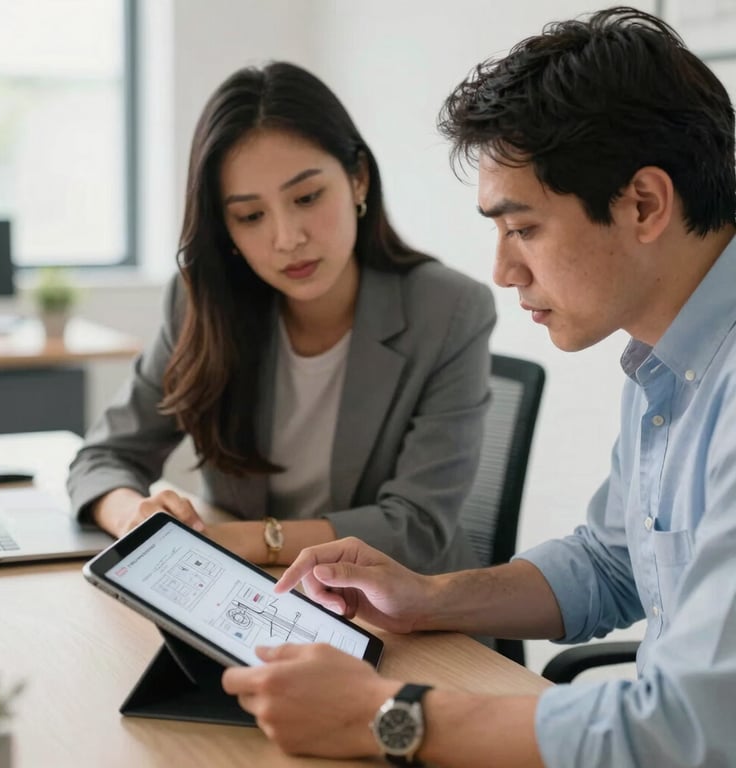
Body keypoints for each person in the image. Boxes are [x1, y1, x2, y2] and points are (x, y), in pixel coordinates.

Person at [221, 7, 736, 767]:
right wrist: (428, 598)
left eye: (522, 228)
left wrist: (382, 716)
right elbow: (613, 563)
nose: (502, 270)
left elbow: (692, 729)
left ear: (644, 205)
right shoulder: (667, 359)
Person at [66, 61, 496, 574]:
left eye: (307, 197)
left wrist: (241, 541)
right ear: (225, 228)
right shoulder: (201, 304)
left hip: (398, 603)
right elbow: (104, 457)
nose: (287, 238)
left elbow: (416, 528)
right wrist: (135, 517)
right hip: (250, 593)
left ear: (358, 179)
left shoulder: (449, 310)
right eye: (251, 216)